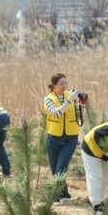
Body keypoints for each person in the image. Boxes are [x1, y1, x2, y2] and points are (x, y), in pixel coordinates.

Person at [43, 73, 85, 204]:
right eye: (61, 83)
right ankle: (63, 195)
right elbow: (57, 113)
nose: (64, 86)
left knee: (61, 167)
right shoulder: (48, 99)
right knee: (55, 167)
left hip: (71, 137)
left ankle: (55, 196)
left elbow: (79, 113)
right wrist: (69, 100)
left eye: (66, 83)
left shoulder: (71, 96)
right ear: (53, 85)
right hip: (54, 137)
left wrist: (81, 101)